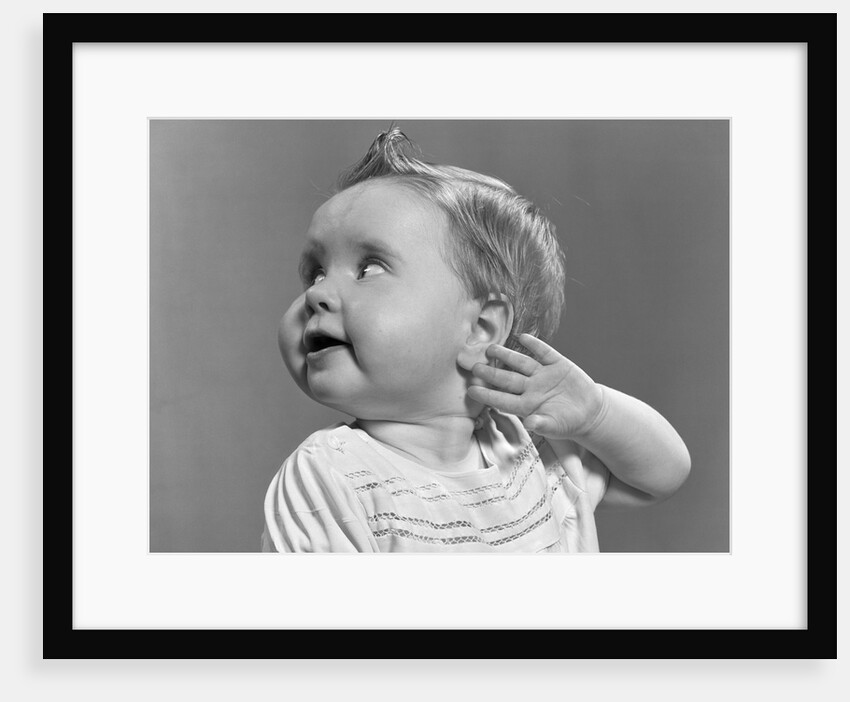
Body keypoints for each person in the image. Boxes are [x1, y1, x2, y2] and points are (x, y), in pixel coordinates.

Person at [262, 126, 690, 553]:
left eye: (368, 269)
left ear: (480, 329)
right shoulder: (332, 475)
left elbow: (661, 475)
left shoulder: (531, 453)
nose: (316, 293)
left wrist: (595, 415)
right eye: (315, 273)